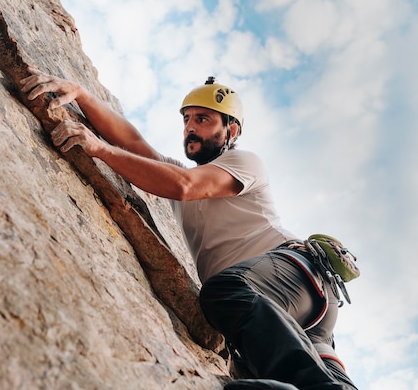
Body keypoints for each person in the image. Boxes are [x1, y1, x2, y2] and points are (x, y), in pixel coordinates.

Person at [20, 68, 358, 390]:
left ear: (231, 131)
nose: (190, 128)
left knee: (224, 290)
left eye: (203, 119)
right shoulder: (178, 173)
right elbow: (134, 143)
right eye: (186, 120)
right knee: (260, 375)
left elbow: (183, 185)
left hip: (294, 274)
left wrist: (99, 150)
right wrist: (81, 94)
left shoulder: (244, 163)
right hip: (300, 317)